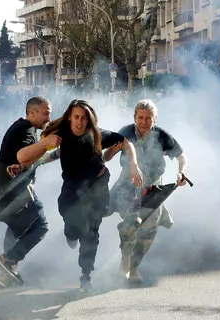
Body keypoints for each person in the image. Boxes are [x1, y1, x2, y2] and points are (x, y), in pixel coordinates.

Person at [40, 99, 143, 291]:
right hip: (72, 187)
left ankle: (85, 275)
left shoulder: (98, 135)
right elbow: (44, 146)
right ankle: (70, 232)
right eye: (77, 117)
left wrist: (134, 166)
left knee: (91, 233)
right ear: (70, 117)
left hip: (97, 185)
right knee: (69, 219)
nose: (80, 122)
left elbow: (127, 143)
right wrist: (32, 162)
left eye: (84, 118)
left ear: (89, 120)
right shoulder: (61, 133)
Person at [0, 96, 61, 288]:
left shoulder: (25, 129)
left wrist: (55, 153)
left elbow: (34, 160)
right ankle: (9, 260)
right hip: (10, 194)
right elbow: (23, 156)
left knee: (16, 227)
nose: (48, 117)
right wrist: (47, 143)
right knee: (41, 226)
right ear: (32, 112)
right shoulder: (25, 130)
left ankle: (7, 273)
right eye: (45, 113)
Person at [104, 99, 188, 283]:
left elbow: (181, 156)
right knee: (131, 224)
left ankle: (134, 266)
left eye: (148, 118)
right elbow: (106, 157)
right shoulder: (125, 132)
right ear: (134, 117)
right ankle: (125, 262)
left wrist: (181, 172)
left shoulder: (161, 135)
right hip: (128, 185)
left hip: (153, 187)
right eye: (140, 118)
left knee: (149, 229)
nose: (143, 122)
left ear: (155, 119)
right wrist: (112, 150)